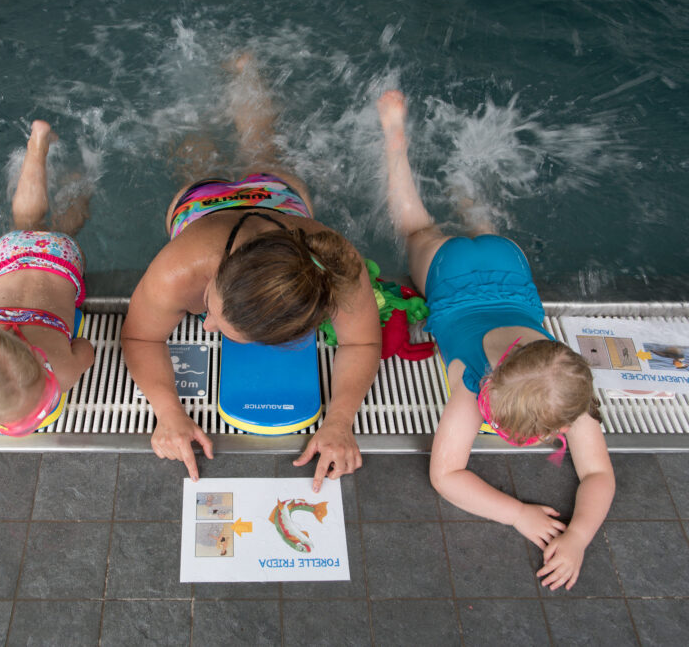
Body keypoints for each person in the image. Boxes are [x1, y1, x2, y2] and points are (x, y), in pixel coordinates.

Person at [377, 89, 614, 591]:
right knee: (415, 226)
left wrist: (576, 538)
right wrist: (516, 515)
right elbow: (446, 476)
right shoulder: (470, 381)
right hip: (447, 273)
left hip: (507, 264)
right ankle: (397, 146)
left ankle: (435, 169)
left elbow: (597, 477)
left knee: (452, 227)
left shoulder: (556, 375)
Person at [122, 54, 381, 491]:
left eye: (216, 321)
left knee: (262, 146)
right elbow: (138, 336)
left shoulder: (335, 265)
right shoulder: (181, 268)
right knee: (202, 155)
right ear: (217, 275)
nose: (205, 323)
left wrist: (339, 422)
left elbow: (363, 340)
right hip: (200, 206)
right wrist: (168, 412)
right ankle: (223, 74)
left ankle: (247, 72)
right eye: (212, 310)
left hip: (279, 200)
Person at [0, 120, 95, 435]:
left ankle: (79, 178)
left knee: (66, 226)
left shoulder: (60, 371)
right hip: (11, 253)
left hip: (59, 260)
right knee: (26, 221)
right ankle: (38, 143)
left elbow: (85, 350)